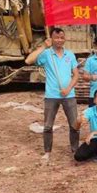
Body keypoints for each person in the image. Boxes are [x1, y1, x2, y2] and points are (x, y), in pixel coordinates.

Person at [25, 28, 79, 163]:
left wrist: (68, 89)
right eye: (56, 38)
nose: (59, 40)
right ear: (52, 39)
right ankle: (47, 152)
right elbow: (28, 60)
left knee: (74, 125)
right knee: (48, 126)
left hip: (69, 95)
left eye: (62, 37)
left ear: (64, 38)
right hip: (51, 95)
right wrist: (43, 46)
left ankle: (75, 150)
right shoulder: (47, 54)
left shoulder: (70, 55)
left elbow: (76, 75)